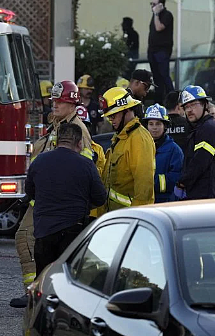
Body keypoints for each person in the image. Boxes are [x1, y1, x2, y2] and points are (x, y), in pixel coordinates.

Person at [10, 81, 93, 309]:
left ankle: (36, 293)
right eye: (53, 100)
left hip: (55, 201)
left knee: (27, 239)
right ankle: (37, 291)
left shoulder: (77, 130)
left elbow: (83, 165)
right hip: (42, 197)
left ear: (72, 103)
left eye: (60, 101)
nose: (54, 104)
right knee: (28, 241)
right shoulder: (56, 126)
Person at [28, 123, 107, 276]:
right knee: (69, 281)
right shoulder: (87, 165)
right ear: (79, 143)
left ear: (57, 141)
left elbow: (30, 191)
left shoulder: (38, 161)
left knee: (44, 279)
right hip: (73, 234)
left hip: (44, 231)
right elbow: (100, 198)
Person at [100, 87, 155, 211]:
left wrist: (137, 219)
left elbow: (144, 188)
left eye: (113, 116)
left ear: (127, 110)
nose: (111, 120)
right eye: (109, 117)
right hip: (115, 217)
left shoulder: (139, 139)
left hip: (128, 219)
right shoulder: (121, 137)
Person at [176, 85, 215, 199]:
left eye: (193, 105)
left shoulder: (208, 128)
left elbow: (201, 161)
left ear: (205, 105)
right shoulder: (200, 129)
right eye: (186, 107)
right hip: (206, 195)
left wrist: (182, 182)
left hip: (208, 197)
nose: (189, 110)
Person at [144, 104, 183, 203]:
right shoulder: (140, 147)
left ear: (165, 126)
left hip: (165, 202)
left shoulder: (174, 150)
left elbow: (175, 178)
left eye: (158, 124)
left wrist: (148, 182)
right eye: (151, 124)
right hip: (143, 200)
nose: (154, 128)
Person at [148, 0, 175, 103]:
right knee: (156, 77)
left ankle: (173, 99)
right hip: (153, 50)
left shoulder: (166, 15)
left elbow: (159, 27)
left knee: (164, 75)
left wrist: (156, 14)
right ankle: (158, 100)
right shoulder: (155, 16)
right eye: (151, 4)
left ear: (161, 5)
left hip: (162, 51)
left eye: (154, 4)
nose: (152, 6)